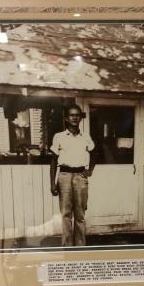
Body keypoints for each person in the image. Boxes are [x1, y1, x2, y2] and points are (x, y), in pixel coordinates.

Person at [50, 105, 96, 246]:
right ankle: (67, 247)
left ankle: (80, 247)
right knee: (66, 214)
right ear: (66, 118)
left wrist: (90, 170)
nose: (75, 118)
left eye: (77, 115)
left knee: (80, 214)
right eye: (71, 115)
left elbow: (95, 153)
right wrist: (52, 183)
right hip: (64, 176)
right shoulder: (59, 137)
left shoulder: (85, 137)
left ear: (80, 118)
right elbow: (53, 161)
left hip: (80, 176)